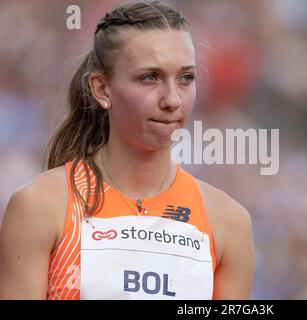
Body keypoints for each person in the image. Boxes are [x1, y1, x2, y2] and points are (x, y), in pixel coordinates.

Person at [0, 1, 255, 300]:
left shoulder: (228, 222)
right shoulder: (41, 205)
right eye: (150, 78)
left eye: (186, 78)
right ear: (102, 89)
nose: (172, 99)